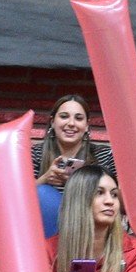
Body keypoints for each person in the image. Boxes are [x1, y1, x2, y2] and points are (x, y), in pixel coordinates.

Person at [32, 93, 116, 239]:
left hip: (91, 227)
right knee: (43, 193)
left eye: (78, 118)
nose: (71, 123)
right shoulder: (36, 153)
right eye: (64, 116)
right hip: (45, 230)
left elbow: (117, 197)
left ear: (87, 125)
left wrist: (78, 184)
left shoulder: (103, 155)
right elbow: (17, 198)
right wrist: (45, 178)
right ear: (52, 122)